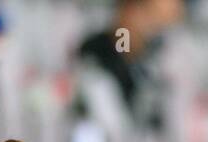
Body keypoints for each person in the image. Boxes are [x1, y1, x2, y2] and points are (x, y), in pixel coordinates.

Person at [74, 0, 185, 132]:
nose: (155, 33)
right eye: (152, 19)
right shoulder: (95, 54)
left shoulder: (154, 63)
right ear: (130, 10)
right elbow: (111, 126)